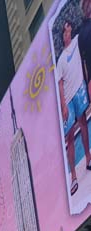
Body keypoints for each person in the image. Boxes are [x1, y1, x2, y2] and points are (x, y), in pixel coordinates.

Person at [57, 19, 91, 196]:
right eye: (64, 31)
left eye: (69, 29)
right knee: (70, 138)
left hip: (80, 89)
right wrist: (63, 104)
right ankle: (74, 178)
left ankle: (88, 159)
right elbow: (60, 84)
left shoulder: (78, 41)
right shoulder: (61, 59)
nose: (67, 32)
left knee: (84, 123)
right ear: (63, 36)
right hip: (68, 99)